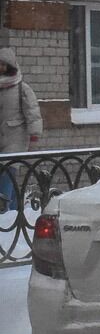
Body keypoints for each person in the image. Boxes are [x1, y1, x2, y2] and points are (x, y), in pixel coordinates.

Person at [0, 47, 45, 214]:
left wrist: (34, 136)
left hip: (16, 138)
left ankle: (6, 213)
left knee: (8, 173)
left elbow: (32, 112)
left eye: (4, 65)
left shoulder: (21, 88)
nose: (2, 68)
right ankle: (13, 212)